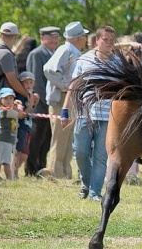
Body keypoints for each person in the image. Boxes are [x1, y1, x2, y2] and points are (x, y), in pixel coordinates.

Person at [61, 26, 117, 201]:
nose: (109, 43)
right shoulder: (84, 59)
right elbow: (74, 85)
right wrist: (65, 110)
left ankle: (95, 192)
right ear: (97, 41)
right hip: (85, 113)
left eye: (111, 40)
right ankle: (86, 182)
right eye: (105, 39)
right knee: (80, 152)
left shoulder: (118, 62)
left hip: (107, 116)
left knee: (101, 156)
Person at [0, 22, 38, 179]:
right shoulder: (5, 54)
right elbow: (12, 79)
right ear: (14, 36)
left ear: (0, 34)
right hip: (1, 100)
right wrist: (27, 94)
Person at [42, 21, 88, 179]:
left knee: (68, 138)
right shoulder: (65, 49)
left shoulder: (73, 51)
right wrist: (65, 86)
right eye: (84, 36)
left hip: (69, 99)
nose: (86, 39)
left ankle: (65, 172)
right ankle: (55, 172)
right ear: (78, 38)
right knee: (59, 138)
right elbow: (49, 70)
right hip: (61, 99)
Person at [25, 26, 61, 176]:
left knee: (47, 138)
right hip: (40, 103)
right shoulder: (37, 54)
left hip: (52, 102)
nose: (55, 40)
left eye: (56, 36)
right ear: (42, 38)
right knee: (36, 137)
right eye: (51, 37)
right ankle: (31, 169)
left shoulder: (54, 53)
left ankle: (41, 166)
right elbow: (36, 81)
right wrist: (43, 102)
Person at [0, 87, 24, 180]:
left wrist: (16, 105)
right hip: (5, 139)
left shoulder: (8, 109)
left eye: (11, 98)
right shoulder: (6, 111)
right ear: (0, 100)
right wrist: (20, 107)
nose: (9, 100)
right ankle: (10, 179)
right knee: (6, 161)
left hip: (5, 139)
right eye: (6, 98)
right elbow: (20, 115)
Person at [12, 72, 36, 178]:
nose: (29, 85)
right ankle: (14, 173)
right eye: (26, 82)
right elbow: (21, 115)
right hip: (20, 127)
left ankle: (15, 171)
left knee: (25, 155)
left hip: (28, 127)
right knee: (19, 152)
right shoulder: (20, 97)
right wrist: (30, 104)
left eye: (31, 82)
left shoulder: (30, 95)